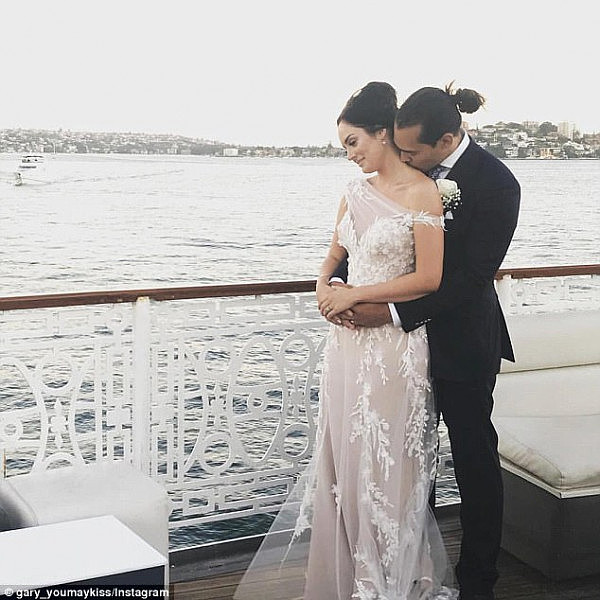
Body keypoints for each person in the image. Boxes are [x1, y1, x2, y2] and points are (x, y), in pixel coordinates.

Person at [235, 81, 456, 600]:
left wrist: (357, 293)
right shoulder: (353, 193)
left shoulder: (422, 192)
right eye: (344, 147)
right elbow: (334, 255)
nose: (351, 155)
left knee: (389, 467)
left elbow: (429, 277)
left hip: (393, 354)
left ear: (382, 133)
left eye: (354, 142)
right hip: (347, 347)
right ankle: (355, 578)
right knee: (346, 463)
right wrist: (322, 289)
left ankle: (394, 581)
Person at [330, 85, 521, 600]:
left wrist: (390, 310)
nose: (402, 156)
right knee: (407, 460)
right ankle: (412, 564)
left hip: (461, 343)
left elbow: (475, 275)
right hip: (394, 351)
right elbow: (373, 237)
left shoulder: (496, 183)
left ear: (446, 139)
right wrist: (342, 284)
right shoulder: (399, 176)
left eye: (411, 150)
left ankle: (479, 579)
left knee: (473, 459)